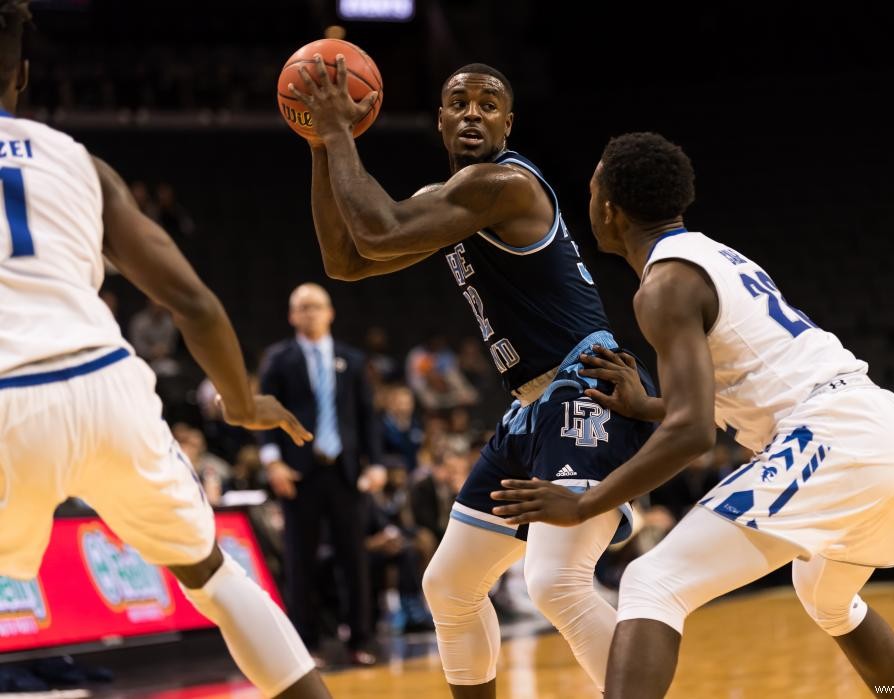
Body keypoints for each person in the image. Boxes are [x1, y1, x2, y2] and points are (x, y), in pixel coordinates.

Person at [490, 132, 894, 698]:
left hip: (832, 434)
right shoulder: (708, 253)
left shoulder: (664, 286)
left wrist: (584, 503)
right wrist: (647, 405)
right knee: (829, 599)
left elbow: (692, 432)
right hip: (882, 425)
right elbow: (734, 382)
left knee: (652, 582)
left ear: (607, 208)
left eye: (593, 187)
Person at [287, 58, 656, 697]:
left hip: (587, 388)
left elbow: (379, 229)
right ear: (439, 119)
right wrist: (322, 143)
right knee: (450, 586)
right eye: (459, 103)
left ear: (507, 124)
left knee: (556, 582)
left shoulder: (504, 186)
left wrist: (341, 132)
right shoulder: (452, 201)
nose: (472, 114)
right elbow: (346, 259)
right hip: (531, 409)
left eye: (488, 105)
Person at [0, 3, 331, 697]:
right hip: (104, 380)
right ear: (22, 75)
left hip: (6, 394)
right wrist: (240, 401)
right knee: (212, 575)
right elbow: (195, 301)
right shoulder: (77, 161)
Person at [258, 283, 386, 666]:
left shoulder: (351, 358)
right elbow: (264, 413)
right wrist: (272, 461)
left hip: (344, 472)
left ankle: (361, 640)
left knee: (354, 559)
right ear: (291, 315)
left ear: (330, 312)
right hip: (299, 474)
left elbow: (367, 417)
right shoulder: (278, 359)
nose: (309, 313)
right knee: (300, 561)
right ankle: (305, 645)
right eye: (301, 307)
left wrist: (376, 462)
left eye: (315, 306)